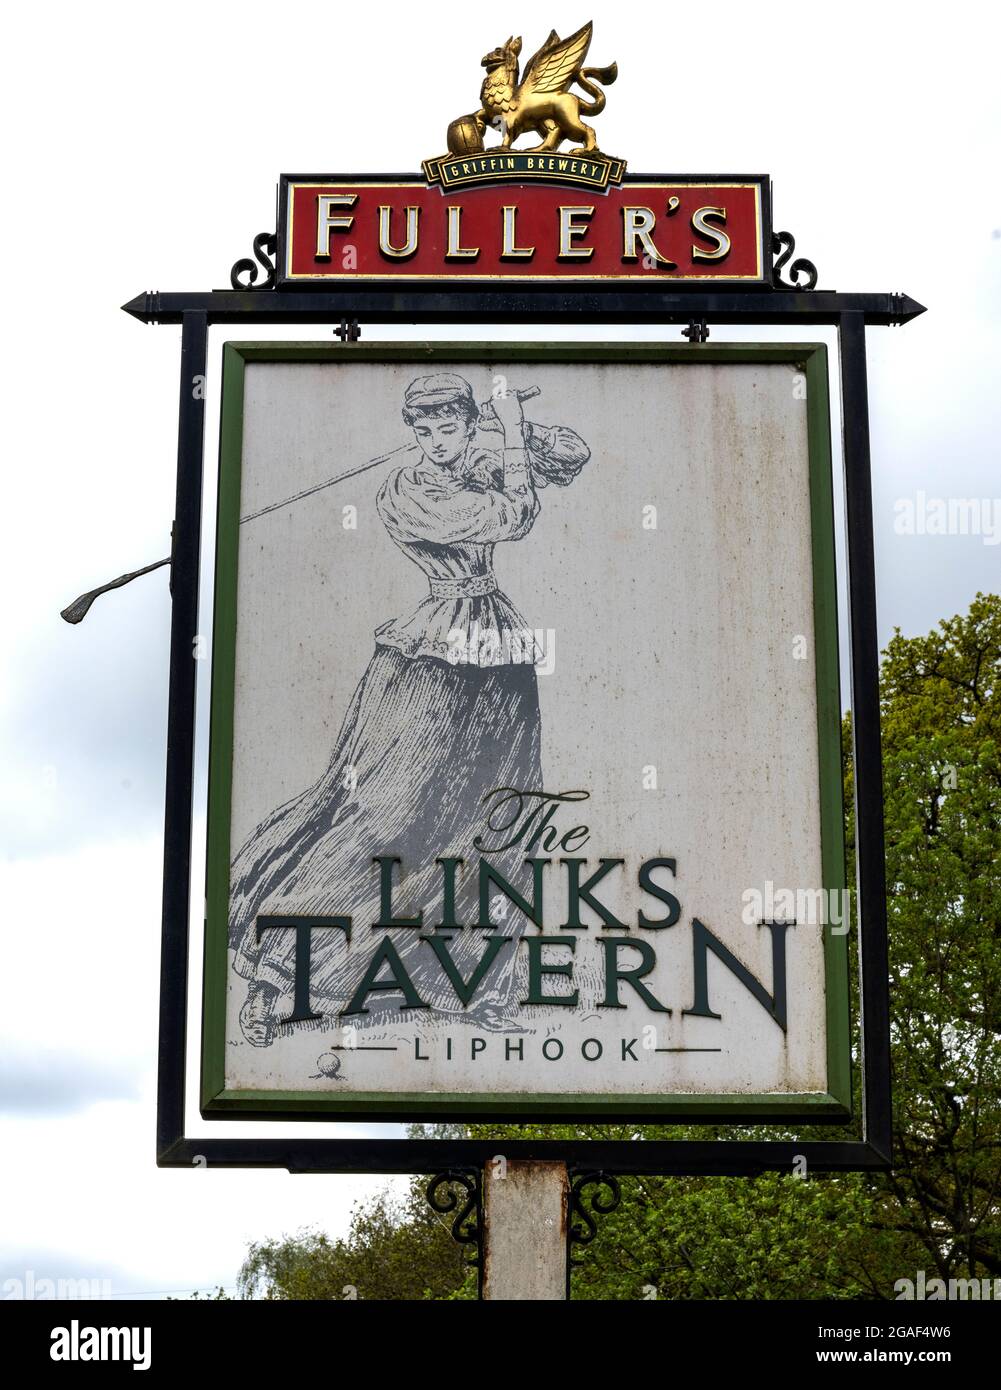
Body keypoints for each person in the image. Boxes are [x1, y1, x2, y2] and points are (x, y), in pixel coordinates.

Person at [228, 372, 589, 1045]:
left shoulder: (479, 455)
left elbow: (569, 458)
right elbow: (514, 516)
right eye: (422, 432)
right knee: (385, 812)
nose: (435, 442)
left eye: (446, 427)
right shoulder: (405, 490)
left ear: (463, 421)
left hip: (500, 652)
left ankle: (472, 979)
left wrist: (510, 424)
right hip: (428, 655)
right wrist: (506, 434)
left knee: (500, 817)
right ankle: (282, 971)